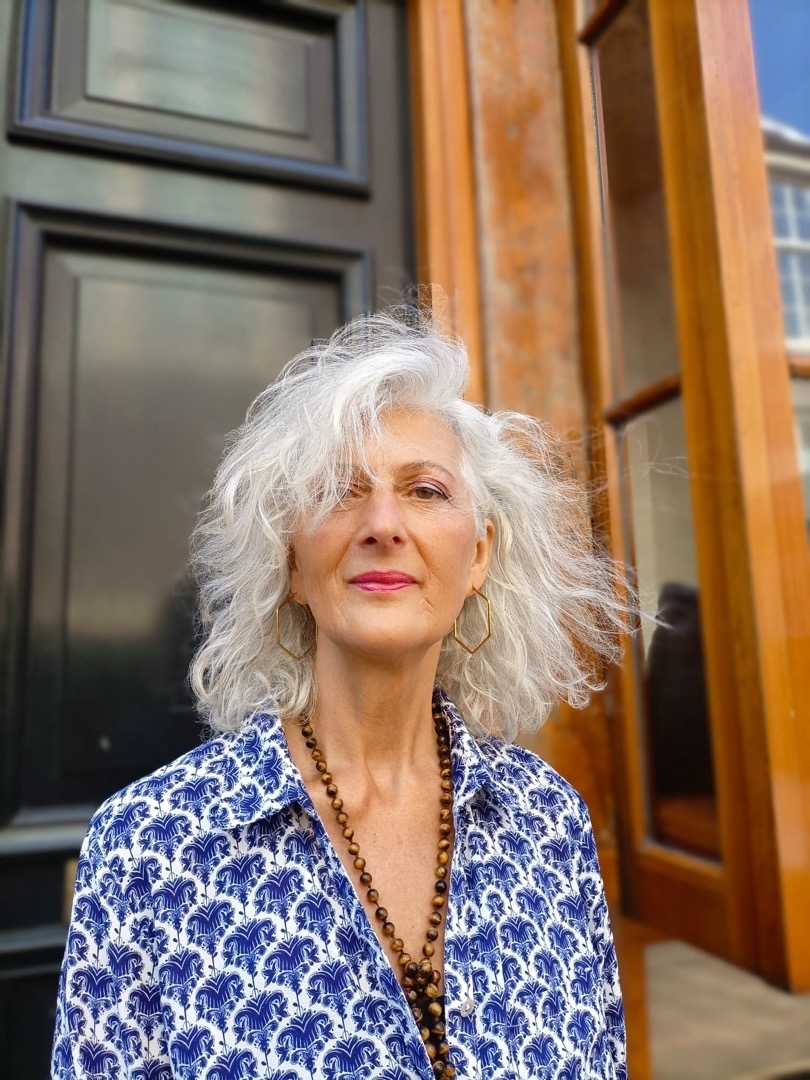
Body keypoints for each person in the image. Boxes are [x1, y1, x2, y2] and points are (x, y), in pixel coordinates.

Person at [53, 308, 629, 1079]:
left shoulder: (548, 823)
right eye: (339, 491)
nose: (383, 524)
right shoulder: (149, 848)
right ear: (292, 562)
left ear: (479, 555)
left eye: (425, 490)